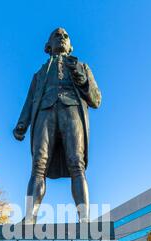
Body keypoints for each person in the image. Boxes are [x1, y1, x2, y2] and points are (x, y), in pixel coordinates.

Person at [13, 27, 101, 223]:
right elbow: (29, 100)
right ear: (48, 45)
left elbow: (96, 100)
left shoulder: (81, 67)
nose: (62, 37)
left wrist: (81, 77)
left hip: (72, 112)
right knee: (38, 166)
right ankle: (30, 218)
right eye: (57, 35)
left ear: (70, 46)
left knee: (76, 163)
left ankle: (85, 218)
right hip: (45, 113)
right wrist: (22, 124)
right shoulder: (39, 74)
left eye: (66, 36)